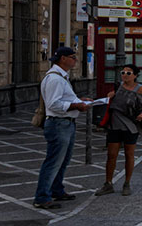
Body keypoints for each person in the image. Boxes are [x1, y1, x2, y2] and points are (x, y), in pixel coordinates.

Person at [33, 47, 91, 209]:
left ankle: (56, 189)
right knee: (53, 161)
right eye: (73, 57)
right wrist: (76, 105)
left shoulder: (62, 77)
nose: (75, 60)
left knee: (63, 160)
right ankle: (42, 197)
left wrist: (79, 100)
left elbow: (62, 98)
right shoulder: (55, 79)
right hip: (58, 123)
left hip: (66, 123)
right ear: (63, 59)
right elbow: (54, 104)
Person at [94, 64, 142, 197]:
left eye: (128, 73)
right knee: (111, 155)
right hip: (115, 125)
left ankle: (127, 183)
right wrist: (109, 97)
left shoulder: (139, 89)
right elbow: (109, 104)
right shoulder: (117, 87)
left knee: (129, 155)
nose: (125, 75)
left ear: (135, 76)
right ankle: (108, 183)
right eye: (123, 72)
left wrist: (141, 115)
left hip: (130, 126)